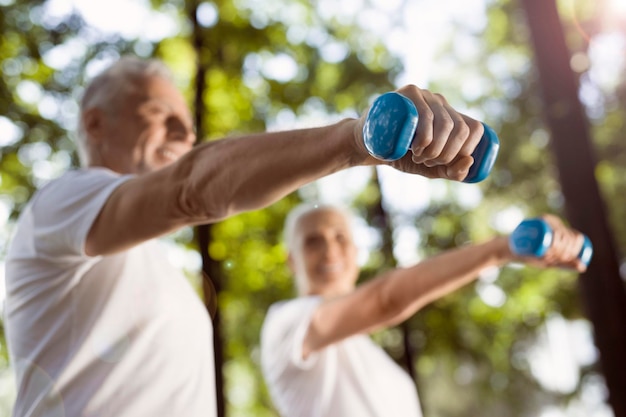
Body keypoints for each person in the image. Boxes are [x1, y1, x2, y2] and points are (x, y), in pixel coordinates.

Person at [4, 54, 490, 417]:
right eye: (160, 114)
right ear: (95, 123)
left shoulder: (160, 277)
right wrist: (357, 139)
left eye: (189, 125)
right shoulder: (62, 203)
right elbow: (190, 188)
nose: (183, 133)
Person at [260, 203, 587, 417]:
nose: (330, 249)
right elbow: (384, 300)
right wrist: (502, 248)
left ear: (357, 253)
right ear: (292, 260)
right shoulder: (286, 323)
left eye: (340, 237)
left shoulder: (370, 359)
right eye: (313, 241)